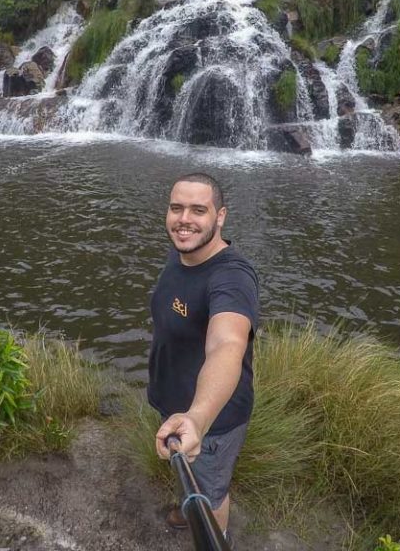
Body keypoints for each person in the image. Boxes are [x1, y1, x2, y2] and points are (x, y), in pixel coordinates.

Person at [148, 172, 260, 541]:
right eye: (176, 208)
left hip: (213, 419)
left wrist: (197, 418)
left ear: (221, 216)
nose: (184, 220)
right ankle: (189, 505)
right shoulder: (184, 250)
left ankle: (216, 528)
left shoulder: (232, 276)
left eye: (199, 210)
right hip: (174, 403)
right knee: (192, 475)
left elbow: (227, 344)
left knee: (211, 489)